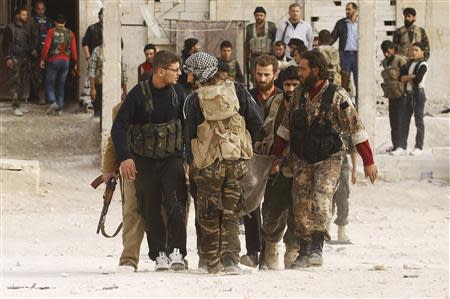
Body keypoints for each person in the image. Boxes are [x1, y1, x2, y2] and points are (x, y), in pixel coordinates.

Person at [271, 51, 377, 268]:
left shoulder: (337, 96)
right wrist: (275, 156)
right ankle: (304, 250)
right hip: (301, 158)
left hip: (328, 158)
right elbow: (285, 128)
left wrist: (368, 161)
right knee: (300, 203)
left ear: (316, 70)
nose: (299, 73)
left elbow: (356, 128)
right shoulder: (299, 95)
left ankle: (316, 248)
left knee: (320, 199)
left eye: (302, 69)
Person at [184, 52, 263, 274]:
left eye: (190, 72)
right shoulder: (238, 90)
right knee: (232, 213)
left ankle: (211, 262)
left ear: (199, 72)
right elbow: (257, 121)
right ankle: (231, 261)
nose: (188, 77)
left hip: (208, 165)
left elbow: (188, 135)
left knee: (208, 214)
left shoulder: (193, 99)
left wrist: (188, 164)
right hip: (236, 161)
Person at [111, 50, 188, 271]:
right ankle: (159, 255)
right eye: (175, 70)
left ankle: (177, 253)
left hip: (171, 158)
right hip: (143, 160)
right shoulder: (138, 95)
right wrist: (125, 158)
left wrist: (187, 159)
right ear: (161, 71)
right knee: (149, 207)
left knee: (176, 205)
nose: (179, 74)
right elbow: (119, 128)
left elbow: (187, 126)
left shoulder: (177, 93)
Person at [254, 65, 300, 270]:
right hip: (275, 168)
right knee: (272, 211)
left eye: (294, 85)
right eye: (287, 85)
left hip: (299, 168)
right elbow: (264, 131)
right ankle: (270, 251)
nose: (290, 89)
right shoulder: (274, 102)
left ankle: (294, 252)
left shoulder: (307, 104)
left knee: (298, 213)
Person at [240, 54, 281, 269]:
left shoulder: (284, 97)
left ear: (275, 74)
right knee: (250, 203)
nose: (262, 78)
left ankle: (269, 252)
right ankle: (253, 251)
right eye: (259, 74)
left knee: (274, 206)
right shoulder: (245, 96)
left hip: (276, 157)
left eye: (267, 74)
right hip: (252, 156)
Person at [102, 98, 145, 273]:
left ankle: (164, 255)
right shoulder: (122, 108)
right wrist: (109, 168)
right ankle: (129, 258)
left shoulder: (170, 99)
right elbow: (115, 139)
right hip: (131, 165)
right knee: (132, 210)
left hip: (161, 165)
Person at [40, 14, 78, 115]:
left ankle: (52, 102)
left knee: (49, 82)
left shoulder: (51, 32)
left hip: (53, 60)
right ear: (65, 22)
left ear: (55, 22)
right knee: (61, 85)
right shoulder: (70, 33)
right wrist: (75, 62)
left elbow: (46, 47)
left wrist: (42, 60)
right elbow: (74, 50)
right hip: (65, 61)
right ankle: (60, 109)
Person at [397, 42, 428, 156]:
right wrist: (411, 76)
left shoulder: (423, 64)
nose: (414, 52)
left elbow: (418, 80)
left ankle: (418, 147)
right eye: (413, 49)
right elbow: (400, 78)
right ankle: (402, 146)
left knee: (418, 121)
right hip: (408, 94)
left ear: (422, 52)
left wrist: (409, 78)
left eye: (416, 50)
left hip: (418, 94)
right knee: (405, 121)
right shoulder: (409, 63)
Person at [3, 7, 32, 117]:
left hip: (25, 58)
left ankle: (19, 105)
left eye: (26, 15)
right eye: (23, 14)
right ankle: (15, 107)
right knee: (16, 83)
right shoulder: (10, 28)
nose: (25, 16)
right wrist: (7, 58)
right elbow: (6, 44)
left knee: (23, 83)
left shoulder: (25, 28)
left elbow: (28, 43)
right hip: (14, 59)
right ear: (17, 16)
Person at [380, 40, 408, 154]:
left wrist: (406, 92)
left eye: (387, 51)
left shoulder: (400, 60)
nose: (386, 54)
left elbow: (406, 77)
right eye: (384, 52)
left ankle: (401, 146)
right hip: (391, 95)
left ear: (392, 49)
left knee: (400, 121)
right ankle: (396, 145)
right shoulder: (385, 62)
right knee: (393, 122)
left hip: (402, 95)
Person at [330, 2, 359, 105]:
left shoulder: (362, 23)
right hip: (345, 56)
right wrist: (324, 44)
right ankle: (344, 108)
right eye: (346, 9)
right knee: (344, 84)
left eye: (349, 9)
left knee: (359, 83)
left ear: (355, 10)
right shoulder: (341, 23)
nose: (347, 11)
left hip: (358, 57)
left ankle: (359, 109)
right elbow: (333, 37)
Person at [88, 44, 128, 117]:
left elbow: (123, 73)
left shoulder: (118, 52)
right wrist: (92, 89)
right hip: (99, 85)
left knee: (112, 113)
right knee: (98, 114)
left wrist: (125, 92)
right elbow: (92, 71)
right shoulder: (97, 51)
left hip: (113, 87)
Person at [332, 133, 357, 242]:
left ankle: (341, 232)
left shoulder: (346, 127)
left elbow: (352, 149)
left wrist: (355, 170)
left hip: (342, 165)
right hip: (324, 165)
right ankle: (324, 232)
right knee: (325, 200)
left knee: (342, 198)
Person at [245, 6, 277, 86]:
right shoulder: (249, 28)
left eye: (261, 15)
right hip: (254, 58)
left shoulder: (271, 26)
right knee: (255, 78)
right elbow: (246, 45)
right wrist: (245, 59)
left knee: (269, 78)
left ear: (265, 16)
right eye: (257, 15)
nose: (259, 17)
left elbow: (276, 42)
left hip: (268, 57)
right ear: (254, 16)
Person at [30, 0, 52, 105]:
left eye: (42, 9)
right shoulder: (31, 21)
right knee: (37, 75)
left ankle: (48, 97)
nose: (40, 11)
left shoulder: (49, 21)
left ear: (45, 9)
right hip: (36, 51)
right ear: (35, 9)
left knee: (48, 74)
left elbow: (53, 35)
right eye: (38, 9)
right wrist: (32, 49)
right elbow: (27, 36)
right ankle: (39, 96)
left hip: (47, 52)